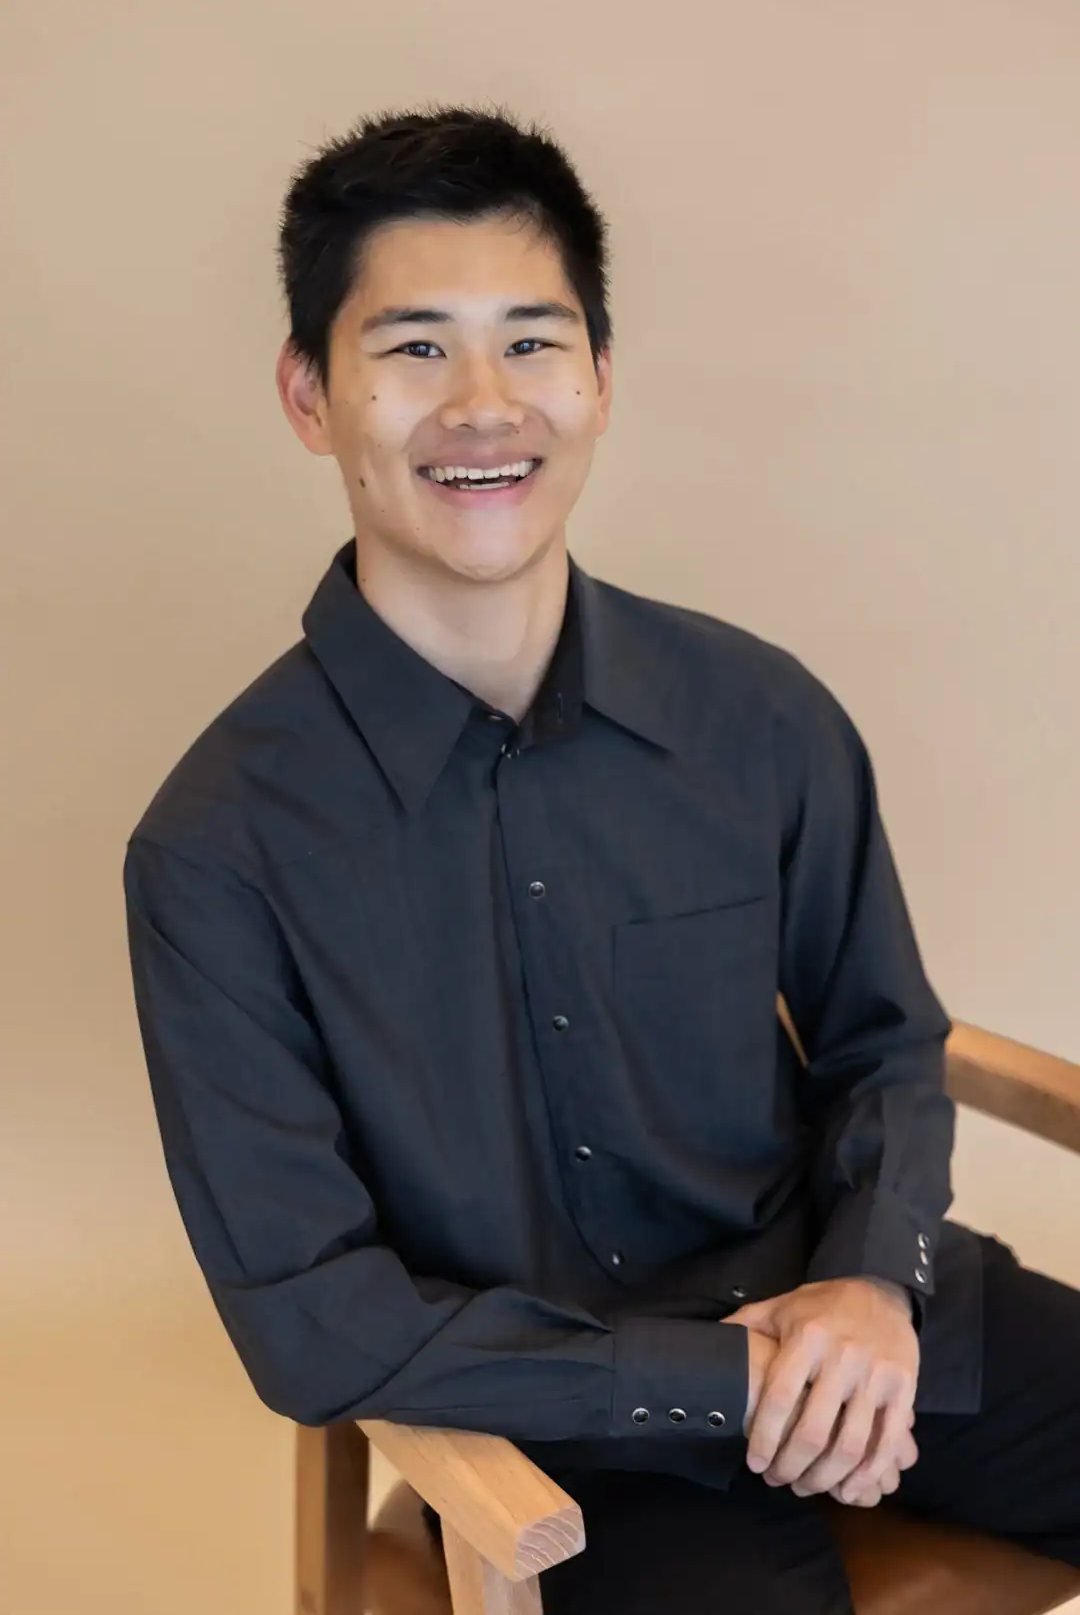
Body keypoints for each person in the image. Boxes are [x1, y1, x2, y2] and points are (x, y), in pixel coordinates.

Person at [123, 105, 1080, 1613]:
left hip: (855, 1315)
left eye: (533, 340)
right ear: (312, 396)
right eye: (416, 348)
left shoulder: (758, 713)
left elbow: (887, 1043)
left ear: (602, 380)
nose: (486, 403)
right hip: (565, 1426)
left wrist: (867, 1278)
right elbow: (311, 1319)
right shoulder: (220, 848)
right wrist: (722, 1376)